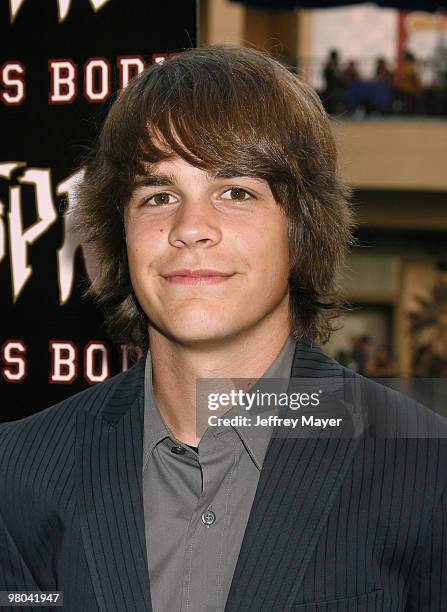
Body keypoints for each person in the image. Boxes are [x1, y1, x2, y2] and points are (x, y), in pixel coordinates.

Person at [1, 46, 447, 612]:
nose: (190, 228)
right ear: (121, 237)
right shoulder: (18, 473)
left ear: (301, 229)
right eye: (159, 196)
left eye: (236, 192)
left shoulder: (425, 472)